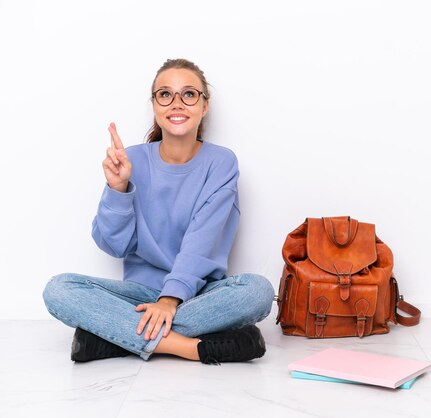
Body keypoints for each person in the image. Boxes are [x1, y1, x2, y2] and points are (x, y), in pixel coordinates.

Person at [43, 58, 274, 364]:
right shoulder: (132, 160)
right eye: (165, 95)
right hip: (138, 295)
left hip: (198, 294)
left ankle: (112, 339)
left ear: (204, 106)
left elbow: (202, 241)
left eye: (189, 94)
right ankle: (190, 347)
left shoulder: (221, 163)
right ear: (154, 105)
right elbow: (115, 246)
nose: (176, 103)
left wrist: (169, 300)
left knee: (257, 291)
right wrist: (118, 189)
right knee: (59, 289)